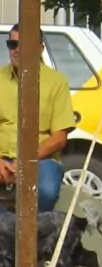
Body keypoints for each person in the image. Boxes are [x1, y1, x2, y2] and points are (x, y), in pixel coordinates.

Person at [0, 24, 73, 213]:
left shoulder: (57, 82)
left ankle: (31, 240)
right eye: (12, 44)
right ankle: (7, 235)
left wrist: (24, 162)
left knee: (46, 191)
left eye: (23, 45)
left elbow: (59, 137)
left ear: (40, 48)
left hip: (41, 159)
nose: (16, 50)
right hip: (1, 157)